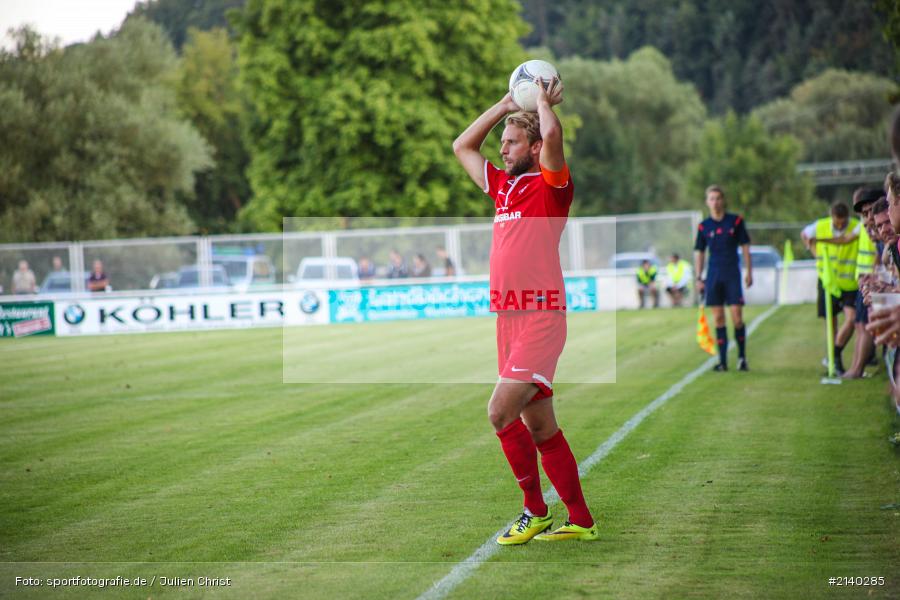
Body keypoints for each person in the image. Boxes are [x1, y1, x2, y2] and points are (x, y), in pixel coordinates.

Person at [453, 77, 597, 543]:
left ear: (535, 148)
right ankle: (581, 521)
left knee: (499, 412)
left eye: (513, 142)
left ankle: (534, 511)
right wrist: (505, 105)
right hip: (509, 319)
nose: (504, 149)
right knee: (541, 428)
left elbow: (553, 137)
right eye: (504, 143)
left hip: (540, 315)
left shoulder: (551, 185)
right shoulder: (503, 188)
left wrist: (541, 105)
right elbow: (462, 146)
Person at [694, 185, 752, 371]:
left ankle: (742, 358)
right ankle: (723, 361)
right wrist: (698, 277)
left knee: (737, 317)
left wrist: (749, 271)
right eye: (711, 199)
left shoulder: (735, 221)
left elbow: (745, 247)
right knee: (718, 318)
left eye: (718, 198)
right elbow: (700, 252)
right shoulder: (704, 226)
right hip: (713, 276)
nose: (715, 202)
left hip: (732, 274)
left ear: (723, 200)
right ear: (707, 202)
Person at [801, 201, 860, 375]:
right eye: (837, 222)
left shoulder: (856, 226)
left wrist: (817, 241)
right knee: (831, 322)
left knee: (851, 319)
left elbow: (844, 240)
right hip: (828, 281)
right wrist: (813, 251)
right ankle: (835, 360)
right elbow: (804, 234)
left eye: (843, 222)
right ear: (831, 217)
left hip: (850, 282)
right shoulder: (820, 225)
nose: (840, 225)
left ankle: (834, 353)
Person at [843, 188, 882, 378]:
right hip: (866, 280)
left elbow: (881, 256)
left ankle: (857, 369)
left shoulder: (884, 230)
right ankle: (855, 367)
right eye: (863, 213)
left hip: (871, 281)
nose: (866, 218)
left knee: (865, 326)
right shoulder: (868, 227)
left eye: (868, 212)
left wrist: (875, 275)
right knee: (860, 325)